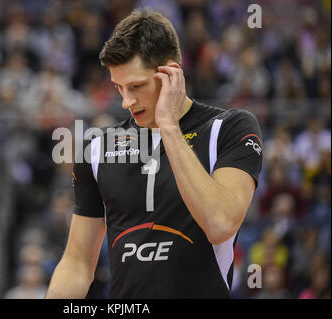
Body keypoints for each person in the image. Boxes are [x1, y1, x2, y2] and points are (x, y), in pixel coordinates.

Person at [45, 9, 262, 298]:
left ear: (171, 74)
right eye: (119, 88)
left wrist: (169, 126)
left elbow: (220, 224)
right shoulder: (97, 148)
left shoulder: (230, 128)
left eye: (136, 86)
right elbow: (77, 264)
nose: (126, 101)